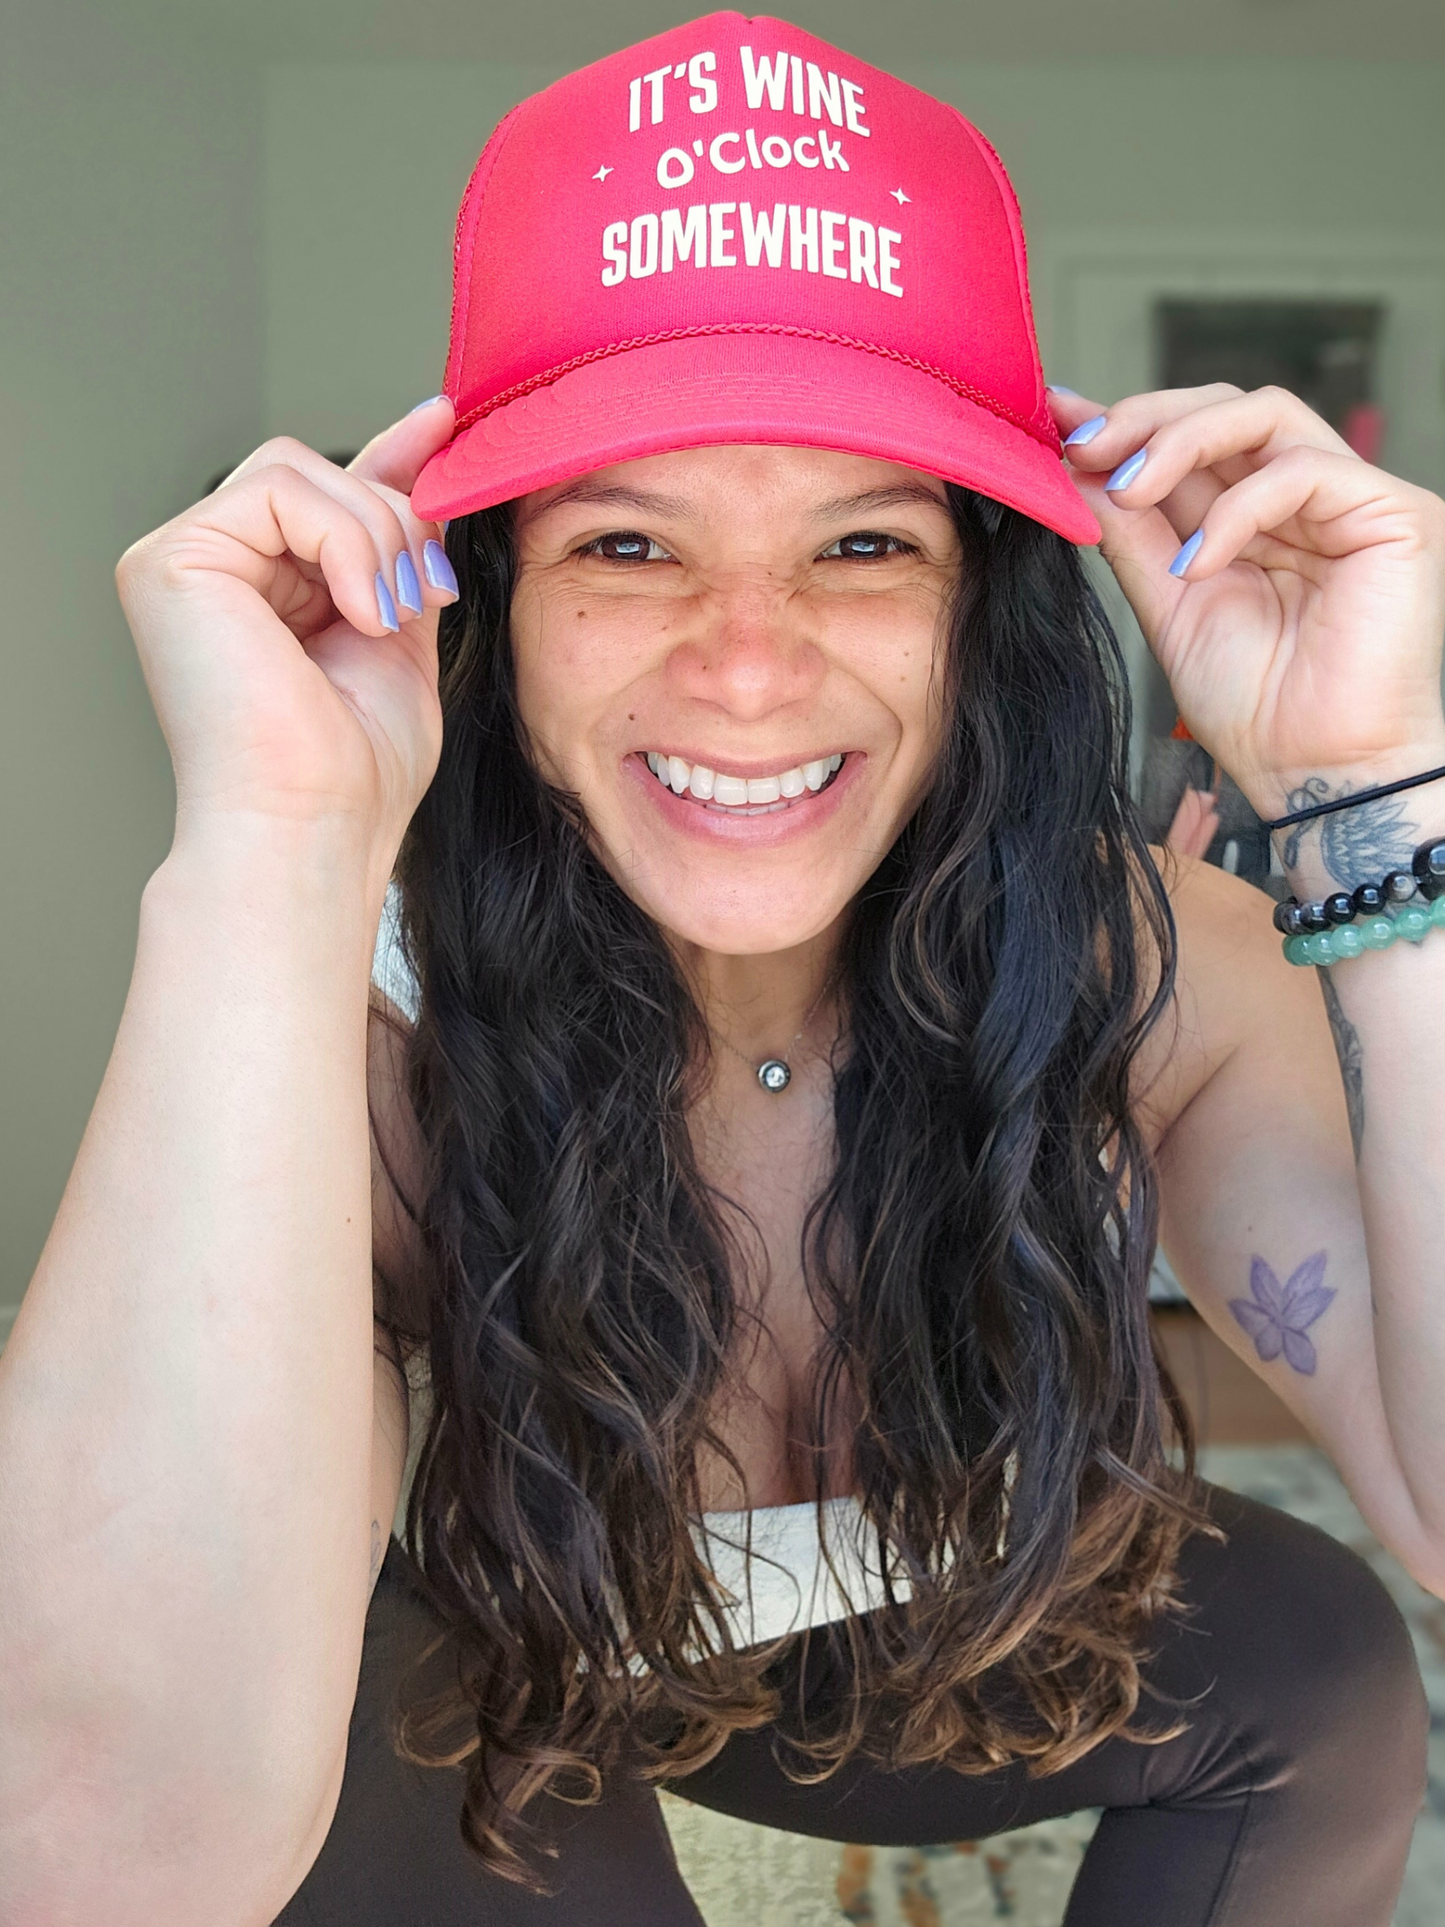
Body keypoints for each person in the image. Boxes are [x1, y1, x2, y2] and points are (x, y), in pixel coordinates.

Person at [1, 14, 1440, 1926]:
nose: (747, 668)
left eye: (860, 541)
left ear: (976, 617)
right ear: (490, 614)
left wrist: (1375, 797)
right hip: (510, 1652)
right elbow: (105, 1861)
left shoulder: (1137, 958)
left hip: (942, 1632)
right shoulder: (356, 1039)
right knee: (366, 1680)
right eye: (629, 545)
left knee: (1317, 1651)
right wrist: (272, 848)